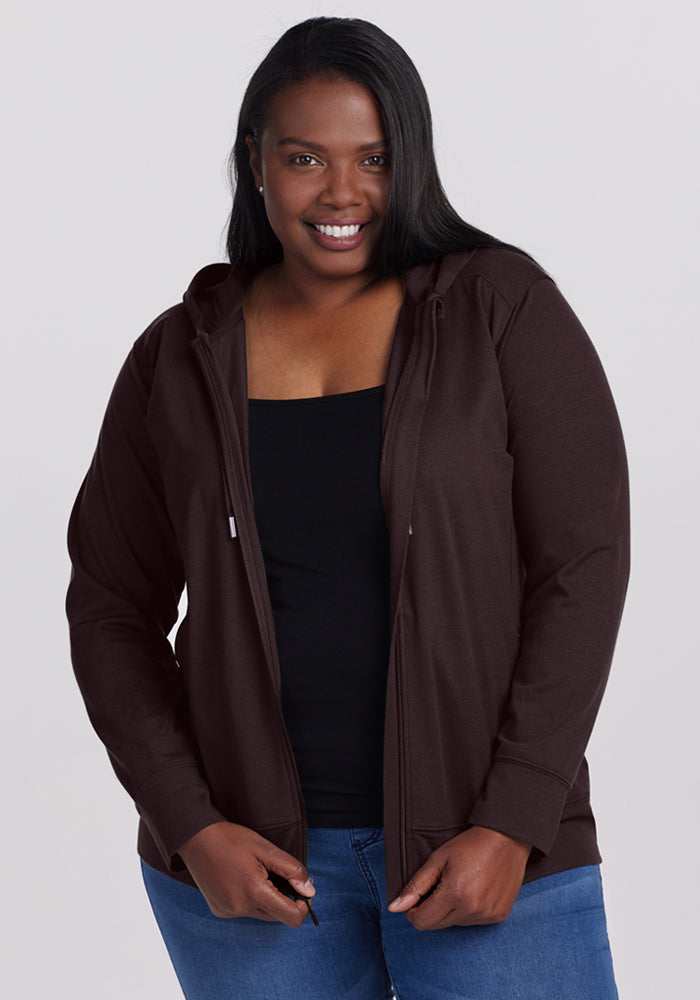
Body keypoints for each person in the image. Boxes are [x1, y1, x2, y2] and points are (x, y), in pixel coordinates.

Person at [65, 16, 629, 1000]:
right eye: (304, 157)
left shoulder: (499, 309)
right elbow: (110, 605)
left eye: (373, 158)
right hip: (256, 879)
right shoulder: (180, 358)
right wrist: (192, 827)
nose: (341, 193)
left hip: (486, 852)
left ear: (408, 159)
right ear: (255, 162)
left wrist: (513, 817)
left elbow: (581, 569)